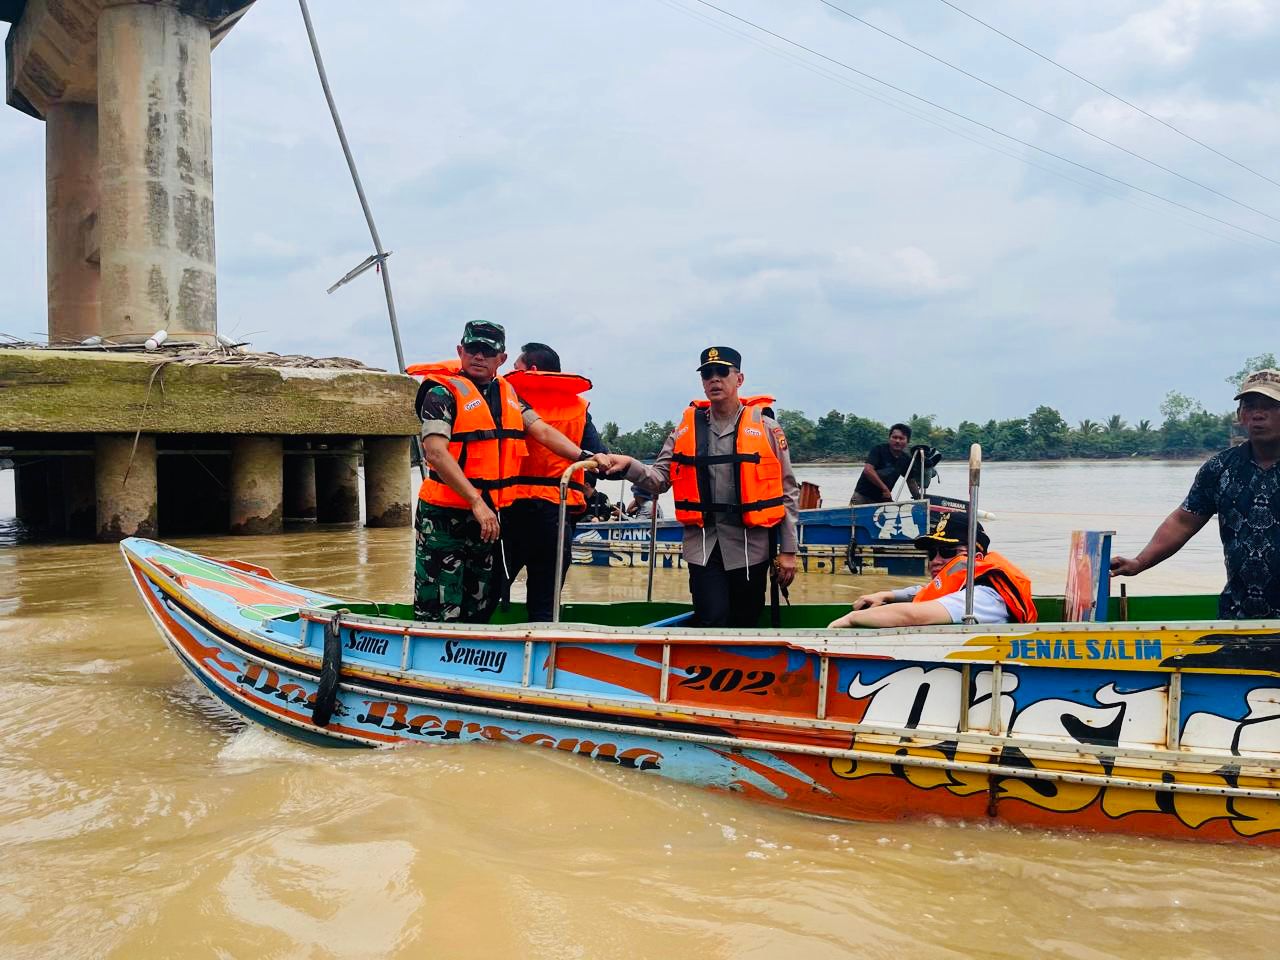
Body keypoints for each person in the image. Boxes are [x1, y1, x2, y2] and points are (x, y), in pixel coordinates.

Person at [412, 322, 597, 623]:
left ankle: (476, 660)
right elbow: (435, 451)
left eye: (488, 351)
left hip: (488, 521)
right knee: (439, 603)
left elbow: (543, 431)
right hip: (445, 518)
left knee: (479, 601)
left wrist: (588, 457)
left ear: (501, 358)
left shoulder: (508, 394)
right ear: (461, 351)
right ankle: (433, 657)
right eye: (473, 349)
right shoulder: (441, 393)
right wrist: (475, 500)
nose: (479, 356)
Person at [602, 346, 799, 628]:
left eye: (722, 372)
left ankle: (742, 671)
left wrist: (788, 551)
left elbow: (788, 492)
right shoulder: (684, 431)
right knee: (711, 617)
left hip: (750, 545)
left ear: (739, 379)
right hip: (704, 544)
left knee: (745, 620)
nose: (714, 379)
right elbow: (659, 480)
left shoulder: (767, 429)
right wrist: (629, 465)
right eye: (707, 374)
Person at [1111, 369, 1280, 619]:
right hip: (1238, 618)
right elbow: (1182, 522)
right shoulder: (1220, 469)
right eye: (1250, 406)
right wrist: (1139, 562)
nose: (1258, 414)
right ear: (1240, 416)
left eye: (1270, 406)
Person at [500, 341, 607, 622]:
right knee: (545, 601)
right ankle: (541, 655)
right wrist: (589, 487)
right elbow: (598, 457)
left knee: (491, 587)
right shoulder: (577, 408)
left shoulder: (507, 401)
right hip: (556, 515)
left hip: (511, 507)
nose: (511, 373)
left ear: (532, 370)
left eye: (517, 367)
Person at [828, 511, 1037, 627]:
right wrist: (887, 595)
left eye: (947, 552)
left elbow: (912, 616)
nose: (935, 560)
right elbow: (924, 591)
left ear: (977, 559)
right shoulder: (962, 588)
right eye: (931, 553)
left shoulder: (982, 597)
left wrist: (849, 619)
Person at [850, 423, 923, 505]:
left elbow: (910, 481)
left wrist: (920, 500)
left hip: (882, 499)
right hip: (862, 496)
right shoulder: (878, 450)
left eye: (901, 438)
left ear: (907, 441)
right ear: (889, 438)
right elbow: (868, 470)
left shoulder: (906, 459)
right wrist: (885, 489)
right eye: (894, 437)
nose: (897, 441)